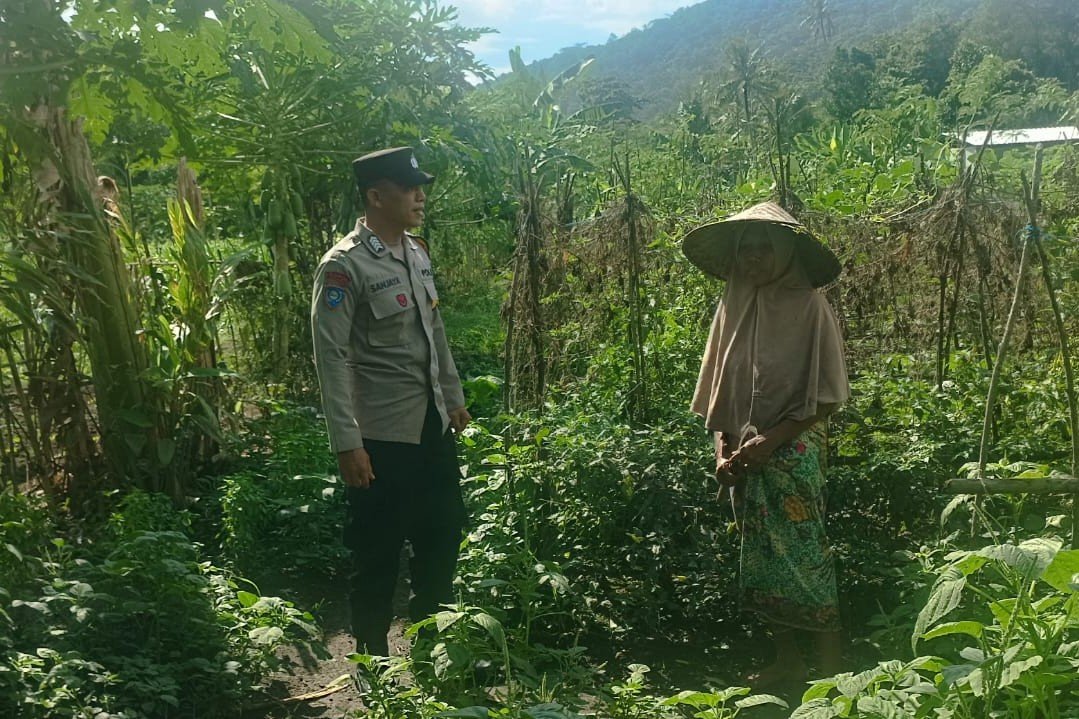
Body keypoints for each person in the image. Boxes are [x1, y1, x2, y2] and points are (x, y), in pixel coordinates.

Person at [311, 147, 471, 657]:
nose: (420, 196)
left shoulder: (417, 253)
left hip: (431, 428)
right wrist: (347, 442)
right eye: (408, 188)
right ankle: (372, 659)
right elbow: (330, 357)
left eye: (420, 186)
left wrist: (453, 398)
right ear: (376, 196)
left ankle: (431, 653)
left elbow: (434, 331)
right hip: (380, 437)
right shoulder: (342, 267)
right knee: (377, 552)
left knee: (441, 539)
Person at [682, 201, 849, 686]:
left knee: (804, 553)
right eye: (745, 250)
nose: (753, 259)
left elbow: (825, 398)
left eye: (762, 249)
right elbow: (722, 389)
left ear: (782, 251)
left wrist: (772, 442)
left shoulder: (808, 306)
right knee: (760, 558)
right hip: (743, 456)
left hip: (792, 452)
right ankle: (789, 661)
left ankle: (832, 670)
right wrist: (722, 451)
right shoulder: (732, 306)